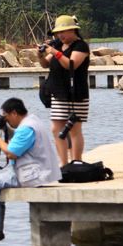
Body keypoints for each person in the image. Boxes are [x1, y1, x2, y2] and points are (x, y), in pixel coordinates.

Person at [0, 98, 61, 246]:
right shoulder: (33, 120)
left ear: (14, 113)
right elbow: (21, 141)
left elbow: (11, 153)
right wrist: (7, 130)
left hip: (33, 175)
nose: (5, 120)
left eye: (5, 116)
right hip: (41, 170)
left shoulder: (26, 128)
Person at [37, 15, 90, 166]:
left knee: (74, 129)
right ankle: (64, 164)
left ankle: (77, 162)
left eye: (64, 32)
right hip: (58, 93)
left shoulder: (80, 46)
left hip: (76, 93)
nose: (61, 35)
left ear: (73, 30)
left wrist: (54, 52)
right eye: (58, 32)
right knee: (56, 129)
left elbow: (71, 65)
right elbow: (44, 64)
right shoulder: (58, 45)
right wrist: (40, 55)